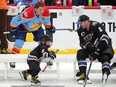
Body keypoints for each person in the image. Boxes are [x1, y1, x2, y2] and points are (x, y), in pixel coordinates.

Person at [9, 1, 55, 68]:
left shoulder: (46, 12)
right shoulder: (28, 13)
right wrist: (13, 28)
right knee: (19, 42)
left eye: (43, 10)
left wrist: (50, 27)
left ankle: (46, 56)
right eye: (40, 10)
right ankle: (13, 59)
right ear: (35, 9)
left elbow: (46, 21)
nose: (42, 12)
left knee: (43, 41)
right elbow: (15, 20)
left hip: (36, 27)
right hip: (23, 27)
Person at [75, 15, 114, 84]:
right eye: (79, 23)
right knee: (80, 53)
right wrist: (88, 46)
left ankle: (106, 72)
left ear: (87, 22)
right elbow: (82, 43)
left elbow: (105, 39)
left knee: (105, 57)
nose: (80, 25)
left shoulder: (96, 25)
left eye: (82, 23)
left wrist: (97, 51)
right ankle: (83, 75)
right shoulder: (80, 30)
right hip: (92, 49)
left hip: (103, 47)